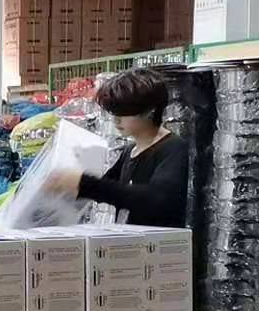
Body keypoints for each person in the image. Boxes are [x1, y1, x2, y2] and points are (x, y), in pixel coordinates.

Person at [46, 68, 188, 227]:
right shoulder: (130, 151)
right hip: (131, 239)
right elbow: (107, 187)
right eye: (114, 112)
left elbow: (155, 199)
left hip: (162, 241)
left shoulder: (174, 149)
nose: (116, 120)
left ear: (150, 111)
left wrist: (84, 184)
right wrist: (66, 184)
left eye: (123, 113)